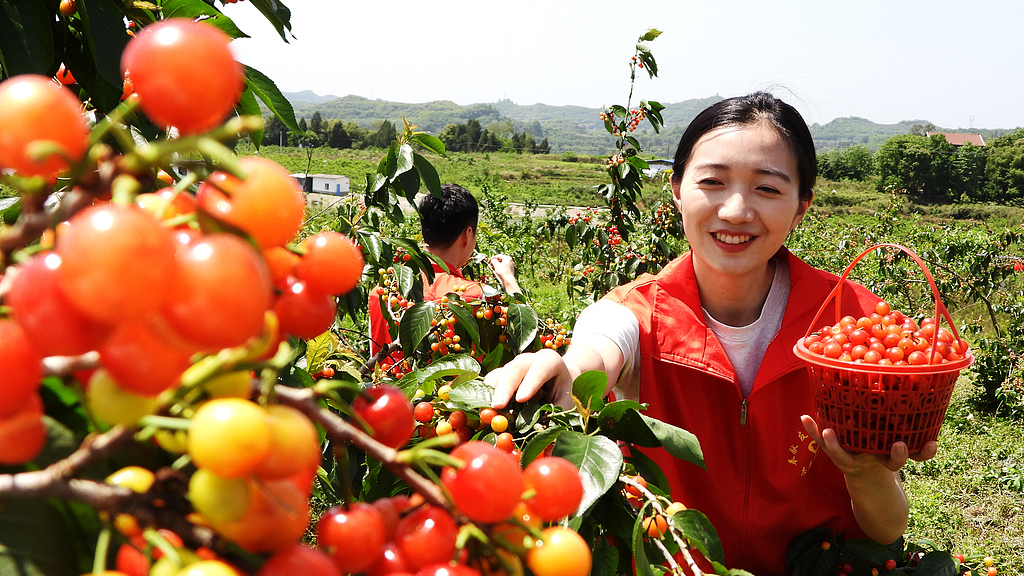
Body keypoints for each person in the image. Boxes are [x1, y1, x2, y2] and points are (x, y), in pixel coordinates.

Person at [487, 93, 934, 575]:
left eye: (767, 189)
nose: (736, 210)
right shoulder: (636, 313)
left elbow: (885, 530)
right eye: (713, 182)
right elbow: (598, 348)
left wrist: (864, 472)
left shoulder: (852, 328)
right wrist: (564, 371)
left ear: (801, 205)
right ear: (677, 189)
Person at [369, 183, 521, 363]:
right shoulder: (476, 297)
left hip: (388, 389)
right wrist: (509, 280)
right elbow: (524, 340)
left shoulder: (383, 292)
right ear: (467, 234)